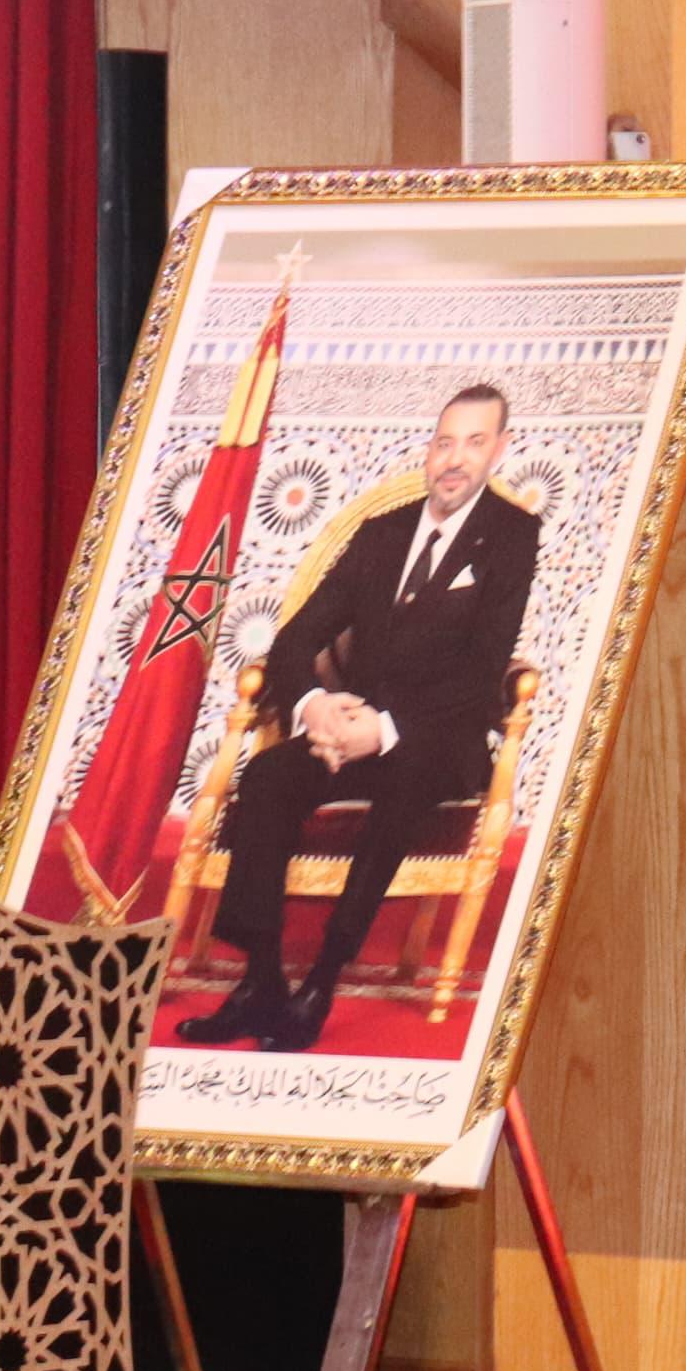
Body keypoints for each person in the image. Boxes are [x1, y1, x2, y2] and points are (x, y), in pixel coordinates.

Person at [179, 382, 545, 1054]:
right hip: (346, 732)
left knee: (406, 776)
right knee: (267, 776)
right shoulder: (383, 534)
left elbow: (483, 668)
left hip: (438, 739)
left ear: (499, 448)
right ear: (429, 450)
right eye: (444, 443)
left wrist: (385, 728)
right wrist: (316, 708)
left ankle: (321, 979)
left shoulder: (512, 534)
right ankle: (262, 979)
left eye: (473, 443)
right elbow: (295, 639)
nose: (454, 459)